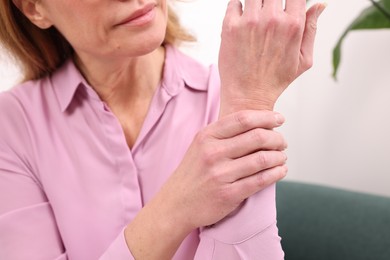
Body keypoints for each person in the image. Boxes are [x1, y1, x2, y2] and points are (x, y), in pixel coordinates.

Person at [0, 0, 325, 259]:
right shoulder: (12, 126)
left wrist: (250, 99)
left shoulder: (231, 97)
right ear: (34, 7)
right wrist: (177, 205)